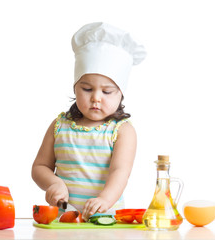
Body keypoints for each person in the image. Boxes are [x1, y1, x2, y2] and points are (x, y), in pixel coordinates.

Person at [31, 22, 146, 221]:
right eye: (87, 89)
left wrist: (105, 198)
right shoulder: (59, 126)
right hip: (63, 220)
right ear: (75, 87)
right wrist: (53, 183)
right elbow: (40, 167)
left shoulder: (122, 131)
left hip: (105, 218)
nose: (96, 98)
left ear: (120, 94)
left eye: (107, 91)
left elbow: (120, 172)